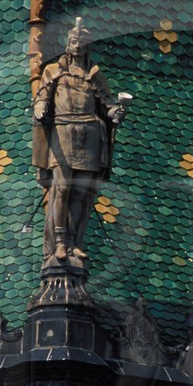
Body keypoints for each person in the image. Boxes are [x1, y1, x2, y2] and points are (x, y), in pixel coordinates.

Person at [32, 18, 126, 265]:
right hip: (63, 131)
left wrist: (115, 113)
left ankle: (74, 242)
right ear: (68, 43)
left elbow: (107, 104)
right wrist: (40, 108)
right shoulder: (54, 71)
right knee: (62, 188)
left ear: (87, 46)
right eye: (73, 40)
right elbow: (42, 96)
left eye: (81, 42)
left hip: (90, 134)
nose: (76, 45)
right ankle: (60, 242)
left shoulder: (93, 75)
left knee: (81, 193)